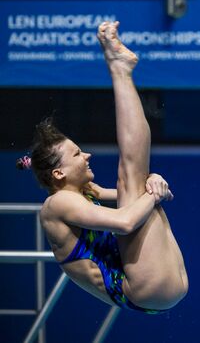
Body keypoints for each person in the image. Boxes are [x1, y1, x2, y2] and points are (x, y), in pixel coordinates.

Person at [16, 21, 188, 313]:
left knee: (137, 179)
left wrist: (154, 184)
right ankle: (119, 70)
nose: (87, 155)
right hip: (141, 288)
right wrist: (152, 193)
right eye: (76, 154)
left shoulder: (83, 193)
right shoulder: (57, 204)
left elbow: (135, 197)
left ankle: (120, 70)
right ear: (59, 173)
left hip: (156, 289)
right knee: (132, 177)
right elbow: (125, 222)